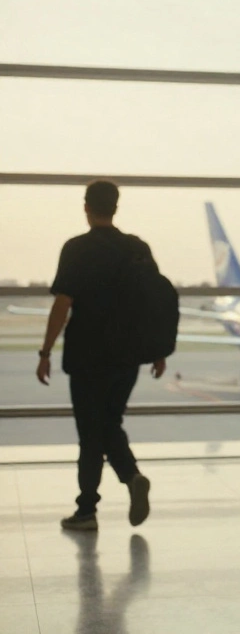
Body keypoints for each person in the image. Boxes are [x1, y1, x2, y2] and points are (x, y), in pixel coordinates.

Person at [37, 180, 160, 531]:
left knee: (91, 434)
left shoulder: (76, 249)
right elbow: (153, 302)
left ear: (86, 207)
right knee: (109, 423)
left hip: (87, 355)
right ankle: (131, 476)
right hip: (128, 356)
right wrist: (157, 350)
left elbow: (63, 304)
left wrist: (45, 352)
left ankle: (87, 510)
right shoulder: (137, 248)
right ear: (116, 207)